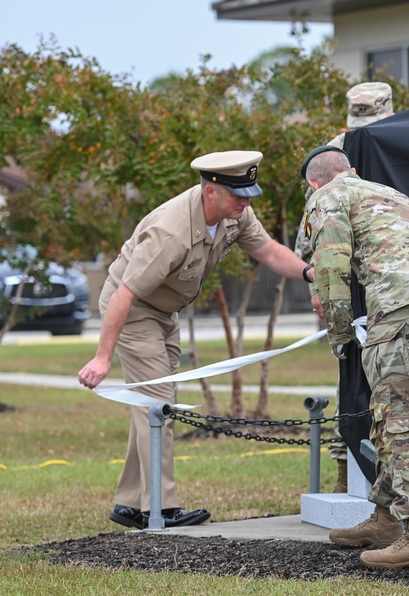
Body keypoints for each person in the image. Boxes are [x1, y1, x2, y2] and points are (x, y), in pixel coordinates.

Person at [78, 150, 315, 531]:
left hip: (164, 312)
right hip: (135, 312)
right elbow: (123, 295)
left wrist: (309, 273)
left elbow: (269, 251)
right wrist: (103, 358)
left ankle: (130, 503)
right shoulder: (170, 232)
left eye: (249, 193)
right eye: (239, 194)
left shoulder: (235, 215)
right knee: (160, 406)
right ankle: (162, 509)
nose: (247, 201)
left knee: (152, 406)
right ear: (211, 192)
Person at [299, 145, 409, 570]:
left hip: (398, 312)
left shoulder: (325, 196)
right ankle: (386, 520)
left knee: (400, 421)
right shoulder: (391, 193)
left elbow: (331, 268)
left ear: (314, 183)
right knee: (394, 415)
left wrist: (337, 332)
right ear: (350, 170)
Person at [295, 81, 395, 493]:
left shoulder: (334, 150)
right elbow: (310, 238)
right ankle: (348, 473)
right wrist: (320, 290)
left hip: (360, 285)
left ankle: (355, 476)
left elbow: (309, 240)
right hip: (370, 283)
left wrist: (320, 288)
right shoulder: (398, 142)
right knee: (361, 380)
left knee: (362, 379)